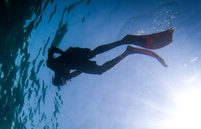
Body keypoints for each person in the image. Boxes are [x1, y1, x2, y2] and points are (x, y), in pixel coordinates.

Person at [47, 27, 175, 86]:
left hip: (72, 53)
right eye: (65, 81)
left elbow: (52, 49)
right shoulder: (67, 76)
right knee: (100, 70)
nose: (66, 79)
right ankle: (127, 51)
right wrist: (88, 67)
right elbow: (79, 71)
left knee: (92, 53)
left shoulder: (51, 65)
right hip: (78, 61)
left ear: (57, 77)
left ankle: (123, 42)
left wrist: (63, 54)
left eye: (63, 79)